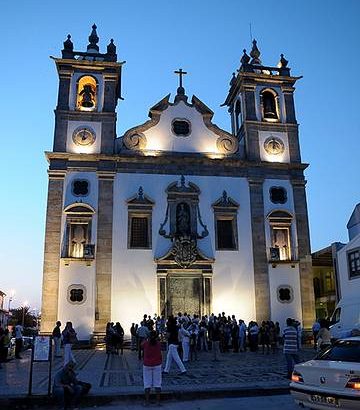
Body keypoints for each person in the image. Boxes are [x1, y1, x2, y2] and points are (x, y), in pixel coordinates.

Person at [142, 330, 162, 406]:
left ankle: (147, 402)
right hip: (157, 364)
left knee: (147, 383)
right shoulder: (158, 344)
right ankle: (158, 402)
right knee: (157, 383)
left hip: (147, 364)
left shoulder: (146, 343)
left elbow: (141, 345)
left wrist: (146, 339)